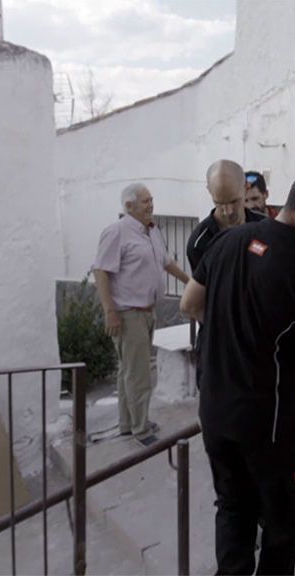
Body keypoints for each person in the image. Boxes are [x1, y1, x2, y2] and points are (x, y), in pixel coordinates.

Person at [180, 164, 295, 575]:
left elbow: (189, 305)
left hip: (216, 413)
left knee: (233, 509)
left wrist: (233, 325)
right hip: (270, 425)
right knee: (283, 525)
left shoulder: (226, 242)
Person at [92, 183, 190, 447]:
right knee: (139, 375)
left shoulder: (152, 231)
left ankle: (128, 423)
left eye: (151, 200)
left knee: (129, 371)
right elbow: (101, 272)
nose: (151, 205)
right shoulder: (117, 233)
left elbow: (167, 263)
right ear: (128, 207)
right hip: (127, 314)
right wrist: (109, 311)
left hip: (148, 312)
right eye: (145, 201)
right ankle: (141, 428)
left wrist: (190, 283)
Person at [187, 160, 267, 271]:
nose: (228, 211)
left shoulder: (265, 228)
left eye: (234, 201)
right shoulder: (200, 242)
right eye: (219, 203)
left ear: (246, 188)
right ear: (209, 191)